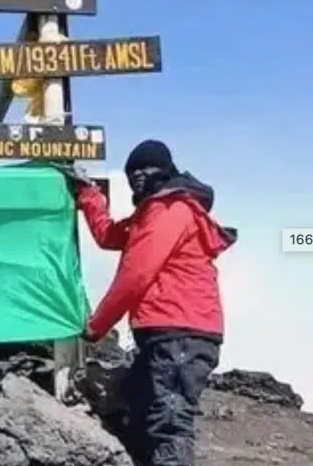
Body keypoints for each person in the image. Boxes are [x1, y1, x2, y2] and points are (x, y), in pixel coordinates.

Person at [73, 140, 237, 466]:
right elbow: (110, 235)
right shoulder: (155, 213)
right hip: (176, 333)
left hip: (178, 333)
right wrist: (90, 197)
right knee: (143, 410)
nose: (137, 178)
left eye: (143, 171)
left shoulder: (169, 210)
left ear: (163, 171)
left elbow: (136, 273)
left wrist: (97, 326)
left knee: (168, 423)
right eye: (131, 173)